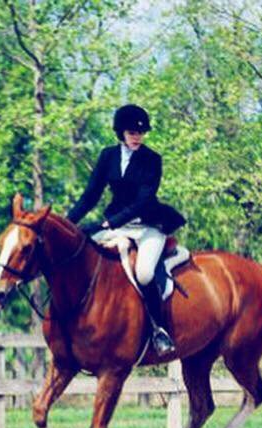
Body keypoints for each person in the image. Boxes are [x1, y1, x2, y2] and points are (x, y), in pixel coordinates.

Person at [67, 104, 185, 356]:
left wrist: (110, 223)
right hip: (116, 226)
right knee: (85, 255)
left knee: (143, 273)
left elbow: (143, 201)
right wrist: (67, 222)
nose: (137, 137)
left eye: (141, 134)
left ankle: (158, 330)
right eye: (132, 133)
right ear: (121, 132)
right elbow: (90, 196)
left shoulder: (152, 160)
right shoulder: (107, 156)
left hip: (148, 226)